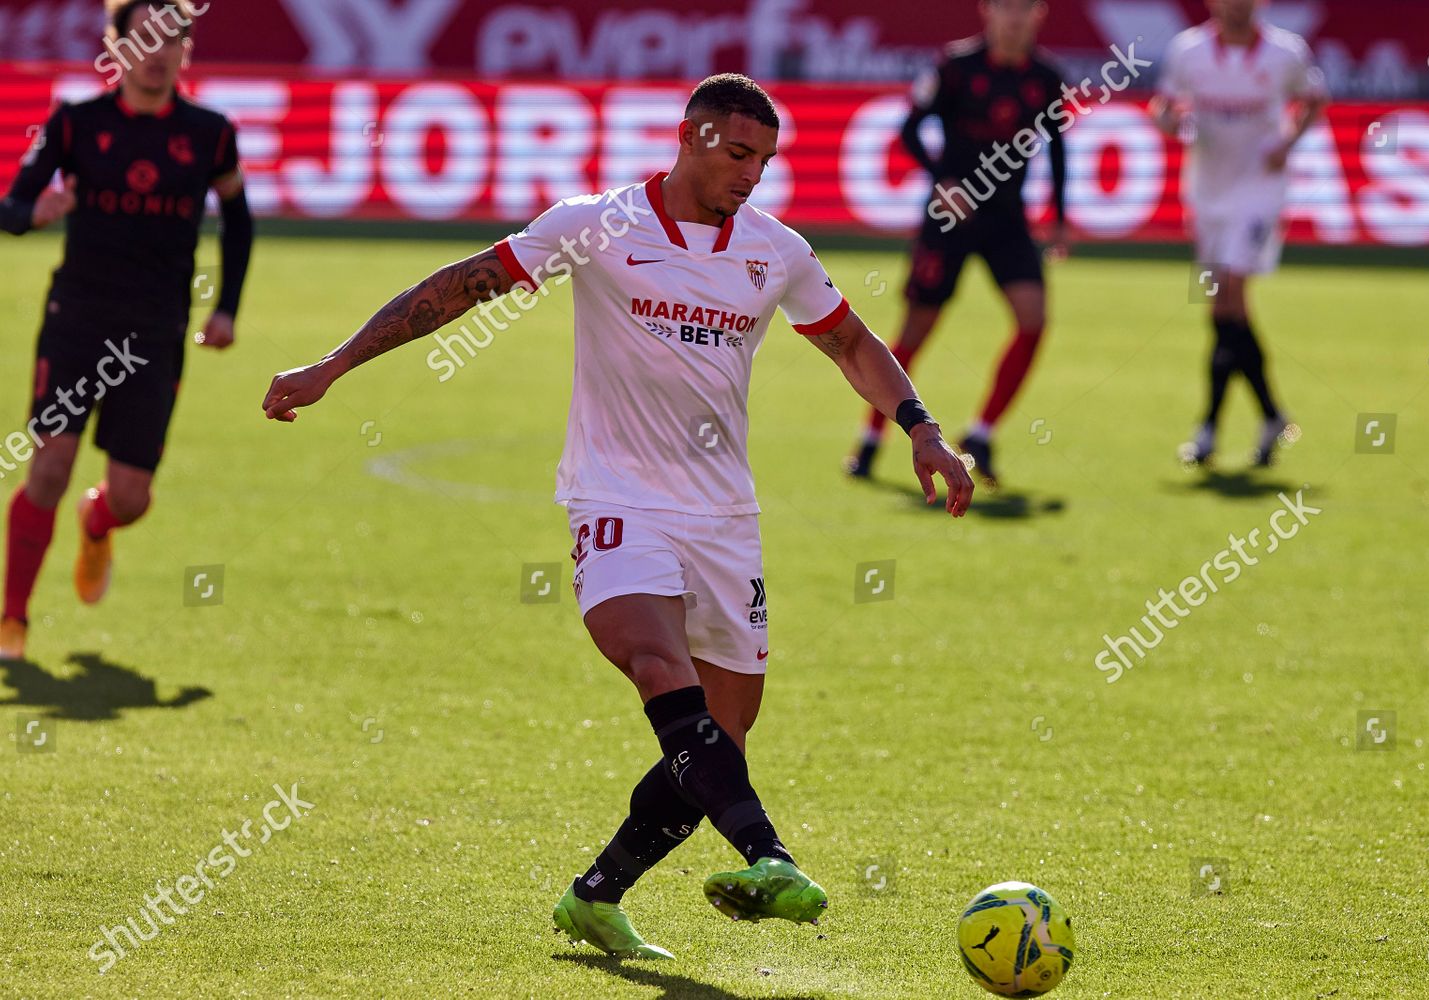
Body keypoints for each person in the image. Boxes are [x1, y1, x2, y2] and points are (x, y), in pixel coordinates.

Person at [262, 74, 973, 959]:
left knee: (724, 732)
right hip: (616, 501)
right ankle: (771, 854)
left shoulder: (775, 251)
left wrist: (923, 429)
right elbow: (464, 285)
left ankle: (596, 896)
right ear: (690, 136)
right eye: (738, 155)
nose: (752, 176)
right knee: (651, 660)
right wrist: (333, 367)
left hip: (725, 519)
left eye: (766, 160)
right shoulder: (596, 225)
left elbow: (852, 343)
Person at [0, 0, 252, 661]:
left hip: (154, 329)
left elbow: (239, 218)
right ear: (116, 46)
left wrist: (226, 306)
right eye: (144, 37)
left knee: (133, 498)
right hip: (77, 320)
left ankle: (98, 519)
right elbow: (12, 206)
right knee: (49, 466)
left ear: (186, 52)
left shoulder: (211, 133)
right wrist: (36, 212)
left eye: (173, 39)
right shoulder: (76, 125)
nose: (159, 51)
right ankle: (13, 622)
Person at [847, 0, 1068, 489]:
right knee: (916, 331)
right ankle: (870, 439)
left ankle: (982, 434)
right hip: (950, 217)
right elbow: (909, 130)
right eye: (1006, 7)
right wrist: (941, 180)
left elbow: (1057, 143)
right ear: (987, 12)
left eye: (1024, 8)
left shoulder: (1046, 75)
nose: (1014, 17)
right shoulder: (955, 66)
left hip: (1008, 219)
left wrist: (1060, 216)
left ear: (1039, 14)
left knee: (1033, 320)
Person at [1151, 0, 1326, 467]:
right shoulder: (1189, 51)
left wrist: (1287, 144)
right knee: (1224, 310)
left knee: (1228, 293)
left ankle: (1208, 427)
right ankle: (1269, 416)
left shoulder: (1285, 53)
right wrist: (1169, 121)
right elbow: (1164, 106)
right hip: (1207, 194)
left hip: (1259, 192)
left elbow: (1313, 100)